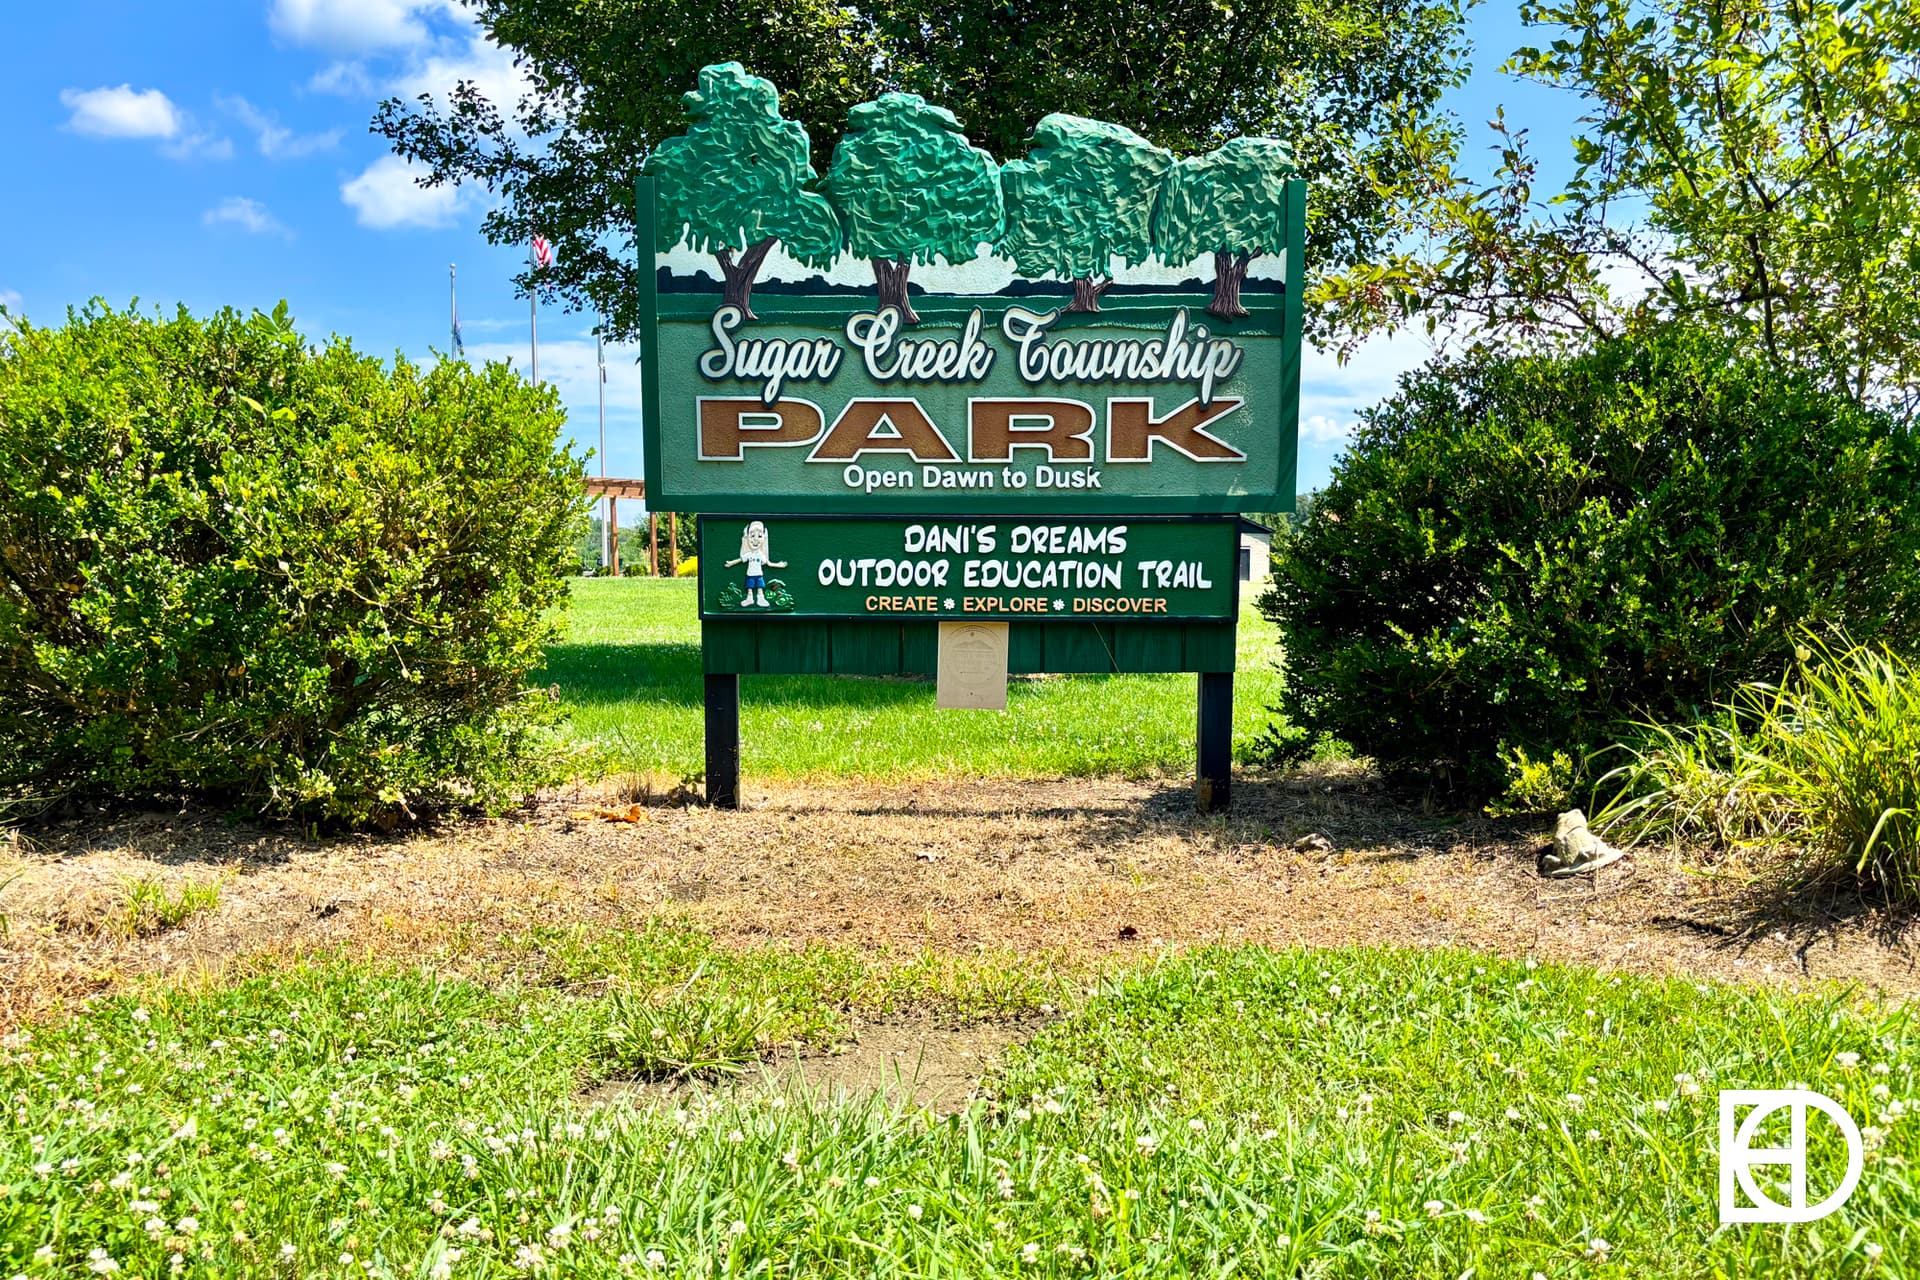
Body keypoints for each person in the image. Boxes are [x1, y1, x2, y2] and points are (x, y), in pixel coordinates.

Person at [725, 520, 786, 607]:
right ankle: (750, 599)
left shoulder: (761, 555)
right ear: (747, 538)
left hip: (759, 575)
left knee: (760, 588)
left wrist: (779, 565)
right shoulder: (748, 554)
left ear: (764, 539)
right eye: (752, 535)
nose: (756, 539)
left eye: (759, 536)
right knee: (749, 588)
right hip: (750, 575)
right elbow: (740, 559)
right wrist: (731, 563)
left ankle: (761, 599)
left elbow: (768, 563)